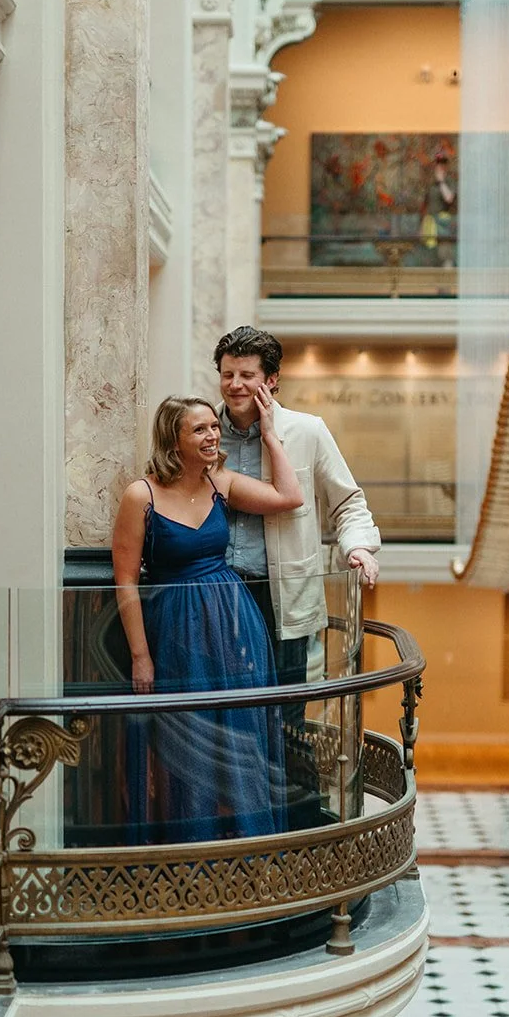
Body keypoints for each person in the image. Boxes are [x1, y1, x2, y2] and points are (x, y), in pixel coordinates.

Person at [112, 390, 303, 844]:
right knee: (186, 740)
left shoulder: (222, 482)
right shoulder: (141, 495)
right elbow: (124, 581)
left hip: (233, 626)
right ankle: (191, 853)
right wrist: (141, 655)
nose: (213, 435)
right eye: (200, 429)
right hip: (174, 629)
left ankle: (246, 847)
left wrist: (271, 436)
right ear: (172, 439)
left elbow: (289, 496)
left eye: (214, 427)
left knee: (237, 731)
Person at [213, 326, 380, 690]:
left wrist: (359, 547)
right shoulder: (203, 432)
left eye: (247, 376)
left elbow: (348, 503)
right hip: (217, 593)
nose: (235, 385)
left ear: (271, 380)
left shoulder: (308, 431)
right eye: (228, 375)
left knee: (286, 714)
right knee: (222, 707)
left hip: (282, 596)